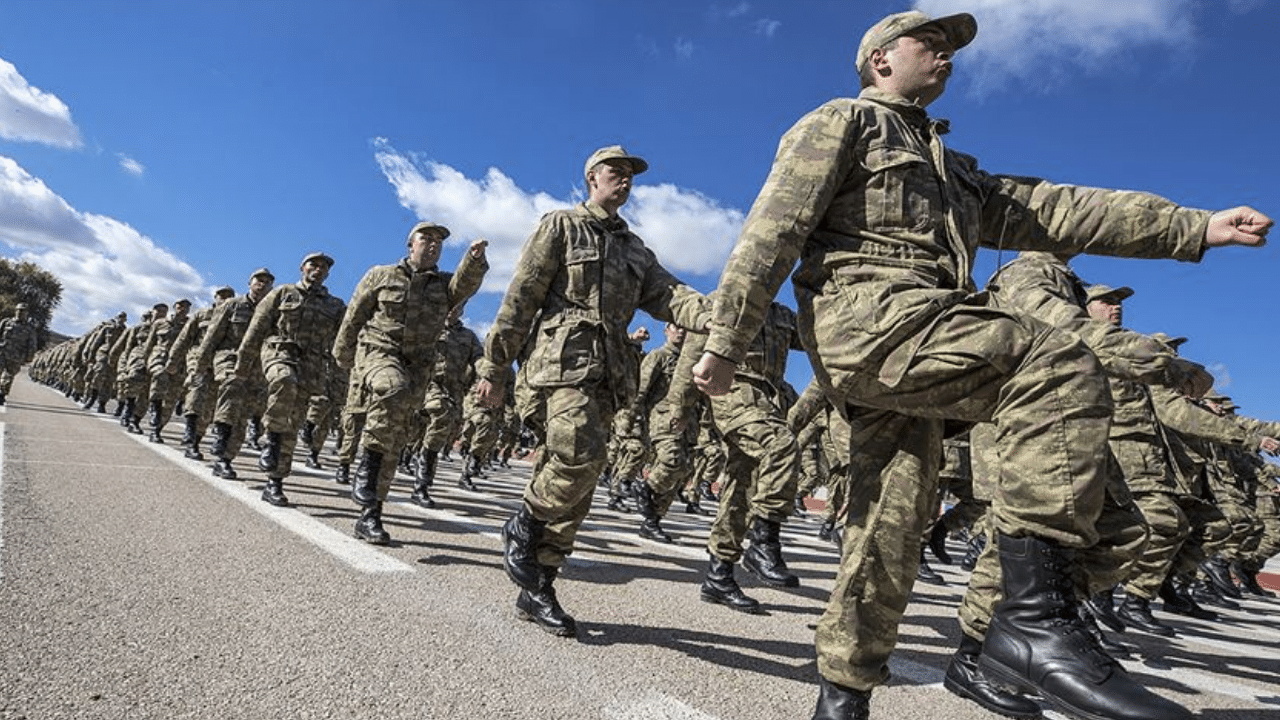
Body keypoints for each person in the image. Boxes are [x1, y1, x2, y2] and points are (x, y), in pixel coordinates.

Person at [688, 10, 1272, 720]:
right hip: (870, 323)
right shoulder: (842, 122)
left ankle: (844, 697)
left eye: (950, 49)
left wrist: (1196, 227)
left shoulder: (956, 172)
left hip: (926, 338)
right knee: (1056, 361)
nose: (946, 58)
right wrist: (727, 338)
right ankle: (1026, 627)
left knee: (889, 529)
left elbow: (1059, 209)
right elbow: (771, 229)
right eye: (929, 44)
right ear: (879, 60)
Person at [475, 145, 707, 638]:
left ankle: (538, 584)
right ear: (591, 179)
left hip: (609, 375)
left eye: (630, 176)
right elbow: (521, 297)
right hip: (559, 365)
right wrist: (494, 365)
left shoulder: (636, 250)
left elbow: (671, 295)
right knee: (580, 451)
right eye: (615, 173)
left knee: (579, 483)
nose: (624, 181)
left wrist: (716, 312)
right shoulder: (560, 226)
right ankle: (524, 521)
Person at [332, 222, 488, 543]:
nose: (432, 245)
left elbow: (465, 285)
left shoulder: (444, 285)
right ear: (410, 244)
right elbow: (355, 316)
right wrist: (344, 356)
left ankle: (371, 514)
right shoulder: (381, 275)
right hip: (379, 350)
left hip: (417, 367)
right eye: (426, 239)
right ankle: (365, 464)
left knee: (397, 436)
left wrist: (473, 259)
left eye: (438, 242)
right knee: (393, 388)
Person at [236, 254, 345, 506]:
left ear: (327, 274)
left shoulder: (336, 306)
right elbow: (257, 327)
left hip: (311, 366)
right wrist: (243, 363)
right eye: (313, 265)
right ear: (302, 268)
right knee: (285, 380)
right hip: (279, 351)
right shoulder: (284, 293)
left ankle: (274, 481)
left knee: (293, 422)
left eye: (323, 267)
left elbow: (343, 341)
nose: (318, 270)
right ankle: (270, 441)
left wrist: (339, 379)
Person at [199, 269, 275, 480]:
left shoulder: (272, 311)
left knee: (244, 412)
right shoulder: (232, 305)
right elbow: (212, 336)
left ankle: (225, 459)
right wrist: (201, 366)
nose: (263, 284)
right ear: (250, 282)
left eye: (268, 282)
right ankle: (221, 435)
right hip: (229, 356)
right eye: (259, 280)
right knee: (233, 384)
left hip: (256, 364)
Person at [0, 303, 40, 405]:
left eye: (23, 311)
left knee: (8, 376)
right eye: (18, 310)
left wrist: (29, 358)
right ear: (15, 311)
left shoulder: (29, 329)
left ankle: (2, 394)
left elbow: (32, 345)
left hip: (16, 357)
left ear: (26, 313)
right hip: (2, 352)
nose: (20, 313)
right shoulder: (6, 322)